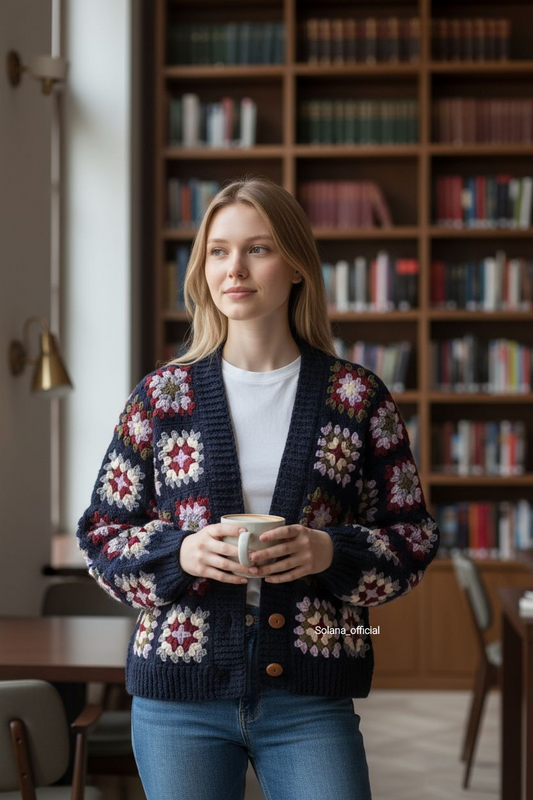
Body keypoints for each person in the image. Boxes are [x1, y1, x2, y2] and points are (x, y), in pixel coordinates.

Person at [77, 175, 440, 800]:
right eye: (218, 251)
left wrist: (331, 553)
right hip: (179, 697)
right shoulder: (163, 398)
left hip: (309, 694)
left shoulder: (355, 397)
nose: (235, 268)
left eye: (259, 248)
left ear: (296, 266)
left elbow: (412, 538)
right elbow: (101, 536)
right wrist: (181, 554)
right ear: (202, 268)